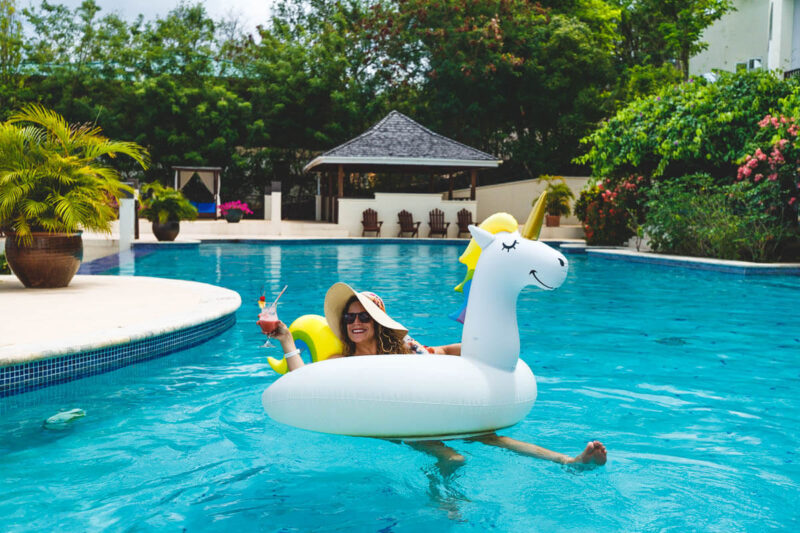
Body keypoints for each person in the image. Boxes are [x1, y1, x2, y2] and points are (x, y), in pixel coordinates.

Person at [261, 282, 607, 468]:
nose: (355, 324)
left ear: (377, 323)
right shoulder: (340, 361)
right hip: (390, 428)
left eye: (363, 317)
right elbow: (304, 385)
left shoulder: (403, 349)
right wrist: (287, 340)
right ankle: (443, 495)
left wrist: (487, 350)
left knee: (490, 437)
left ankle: (568, 461)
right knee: (449, 454)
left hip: (425, 413)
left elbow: (441, 354)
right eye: (349, 318)